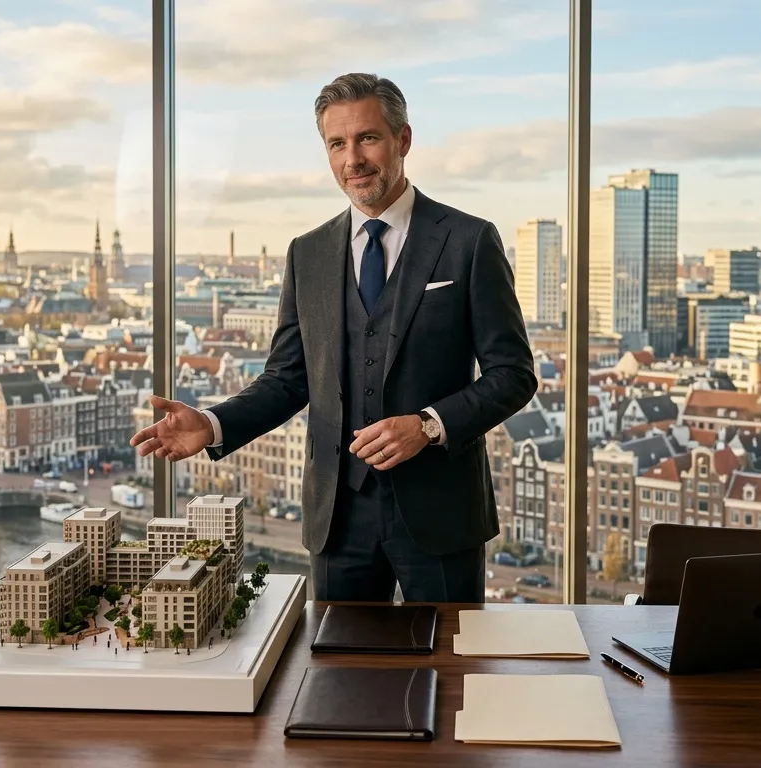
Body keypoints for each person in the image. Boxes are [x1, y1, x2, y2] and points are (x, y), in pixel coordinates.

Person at [130, 73, 534, 603]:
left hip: (441, 514)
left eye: (367, 138)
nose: (353, 160)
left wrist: (428, 427)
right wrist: (211, 424)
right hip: (337, 518)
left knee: (449, 674)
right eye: (336, 144)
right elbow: (287, 379)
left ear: (402, 140)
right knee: (340, 678)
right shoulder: (308, 253)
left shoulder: (469, 240)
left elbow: (514, 375)